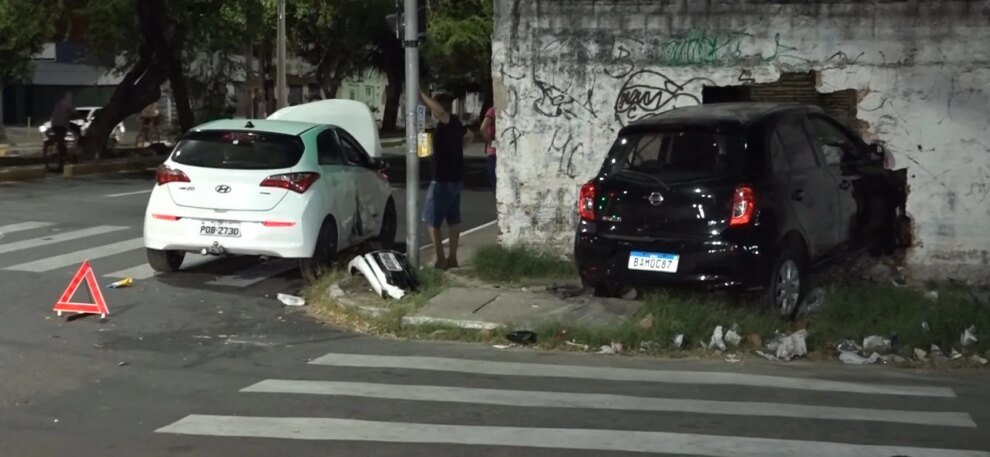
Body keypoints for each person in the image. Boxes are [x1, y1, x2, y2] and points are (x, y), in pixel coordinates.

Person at [420, 88, 473, 269]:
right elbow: (470, 135)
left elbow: (441, 112)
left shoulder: (447, 121)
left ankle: (441, 258)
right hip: (455, 178)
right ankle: (452, 258)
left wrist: (421, 94)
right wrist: (458, 149)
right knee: (453, 219)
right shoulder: (456, 123)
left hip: (442, 179)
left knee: (431, 220)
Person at [50, 92, 76, 162]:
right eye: (70, 97)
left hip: (54, 124)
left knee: (60, 138)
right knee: (64, 138)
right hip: (62, 125)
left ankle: (62, 152)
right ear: (67, 97)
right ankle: (62, 156)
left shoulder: (58, 104)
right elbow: (74, 112)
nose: (71, 98)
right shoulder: (68, 104)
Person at [480, 105, 497, 192]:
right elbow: (483, 128)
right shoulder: (493, 110)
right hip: (494, 152)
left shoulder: (494, 110)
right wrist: (491, 142)